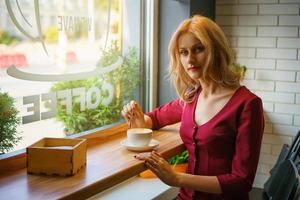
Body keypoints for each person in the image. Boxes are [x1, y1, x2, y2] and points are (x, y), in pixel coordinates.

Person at [121, 15, 264, 200]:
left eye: (198, 49)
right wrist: (139, 120)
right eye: (183, 52)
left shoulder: (248, 104)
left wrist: (176, 178)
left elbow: (241, 181)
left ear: (216, 50)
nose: (190, 59)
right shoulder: (190, 97)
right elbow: (155, 119)